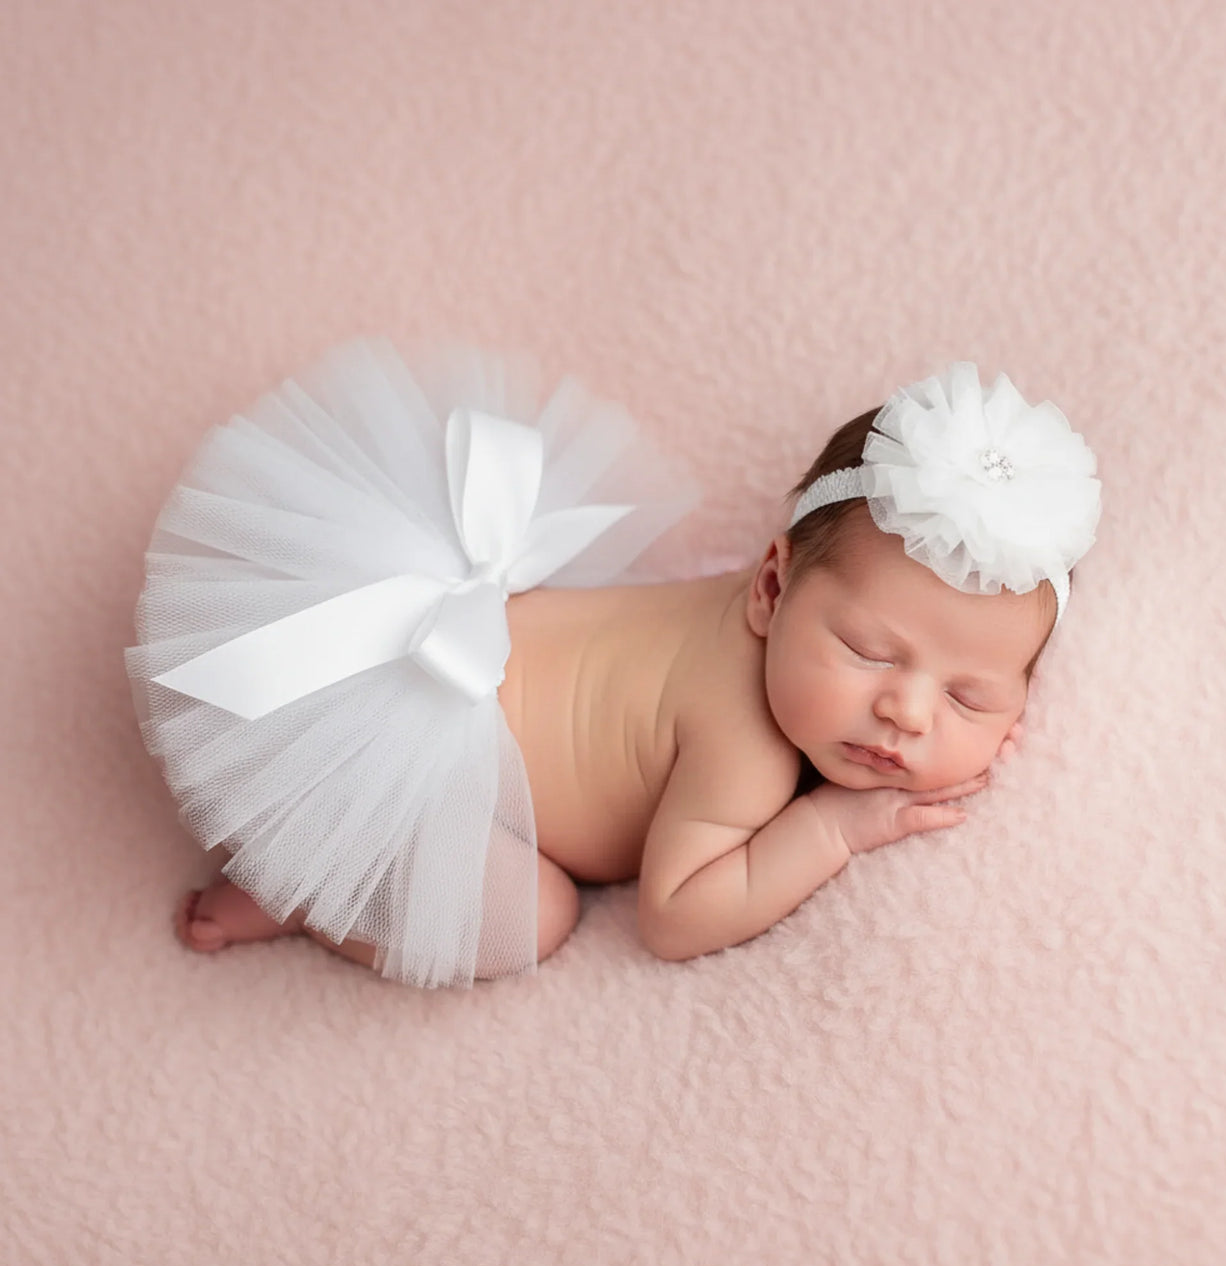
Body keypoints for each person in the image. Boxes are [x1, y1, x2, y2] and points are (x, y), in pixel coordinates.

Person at [128, 344, 1100, 987]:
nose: (904, 709)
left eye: (970, 696)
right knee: (532, 918)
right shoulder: (745, 742)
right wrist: (835, 827)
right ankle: (311, 885)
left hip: (402, 661)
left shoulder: (770, 607)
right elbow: (673, 916)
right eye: (866, 651)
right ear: (769, 587)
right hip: (409, 768)